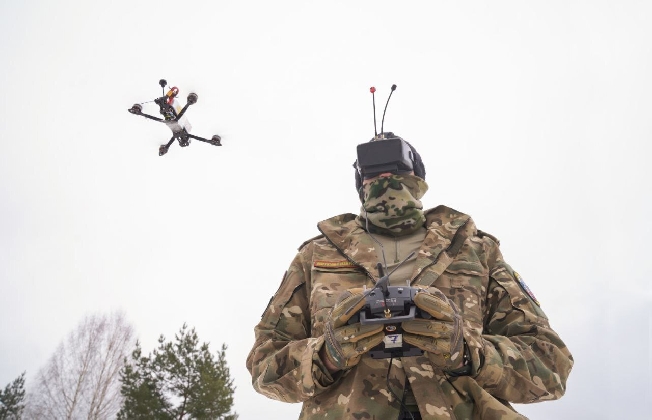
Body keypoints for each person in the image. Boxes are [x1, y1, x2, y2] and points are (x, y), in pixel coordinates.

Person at [246, 132, 573, 420]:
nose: (384, 176)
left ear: (416, 174)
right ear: (360, 180)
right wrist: (326, 355)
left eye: (395, 164)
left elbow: (551, 365)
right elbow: (264, 364)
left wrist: (469, 353)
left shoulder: (474, 250)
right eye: (373, 168)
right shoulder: (317, 255)